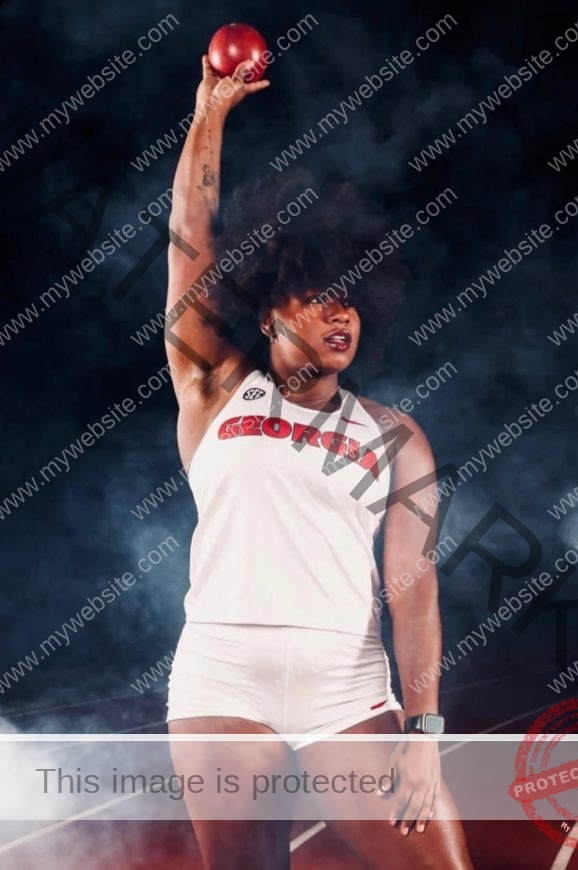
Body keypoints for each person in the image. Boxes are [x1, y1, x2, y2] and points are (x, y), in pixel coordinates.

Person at [165, 55, 474, 870]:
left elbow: (415, 595)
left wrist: (423, 732)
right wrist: (209, 116)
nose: (342, 314)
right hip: (224, 680)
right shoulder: (213, 391)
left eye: (351, 301)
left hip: (348, 690)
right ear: (269, 311)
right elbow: (190, 240)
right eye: (316, 297)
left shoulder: (396, 436)